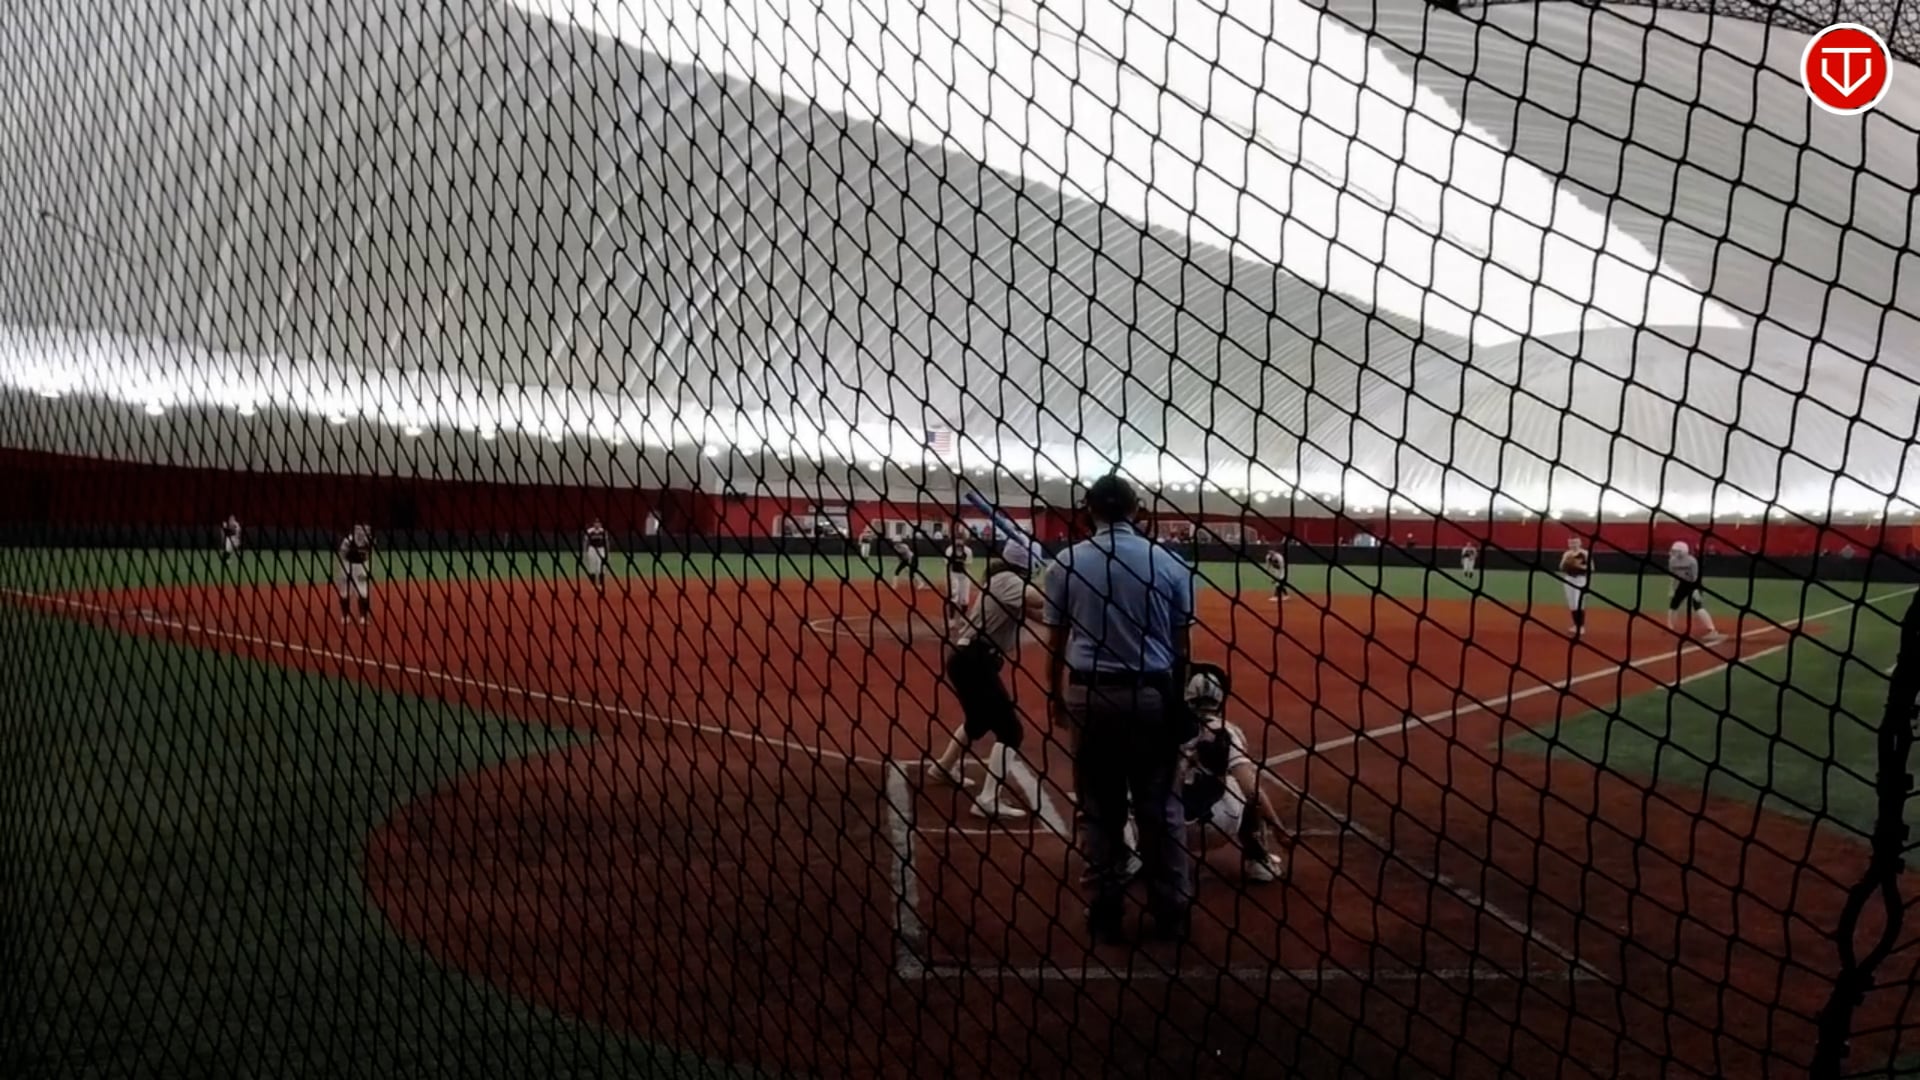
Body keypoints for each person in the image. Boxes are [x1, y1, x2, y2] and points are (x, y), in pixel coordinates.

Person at [1044, 474, 1197, 944]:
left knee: (1098, 807)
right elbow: (1180, 647)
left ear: (1088, 510)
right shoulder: (1169, 563)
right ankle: (1171, 910)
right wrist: (1178, 703)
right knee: (1160, 807)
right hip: (1151, 695)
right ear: (1138, 510)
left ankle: (1105, 908)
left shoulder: (1067, 562)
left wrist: (1054, 696)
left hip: (1090, 696)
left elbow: (1057, 642)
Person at [927, 539, 1065, 831]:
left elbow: (1040, 614)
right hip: (974, 661)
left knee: (977, 721)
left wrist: (1069, 620)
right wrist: (1061, 580)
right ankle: (987, 799)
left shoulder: (1005, 581)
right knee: (1011, 731)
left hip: (970, 660)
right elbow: (1039, 600)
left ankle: (942, 767)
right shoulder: (1007, 581)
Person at [1177, 664, 1286, 884]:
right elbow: (1251, 791)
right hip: (1221, 825)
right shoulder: (1227, 731)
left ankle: (1134, 857)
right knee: (1245, 784)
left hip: (1171, 830)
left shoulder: (1166, 727)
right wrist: (1278, 828)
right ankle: (1259, 861)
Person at [1665, 541, 1722, 642]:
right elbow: (1673, 576)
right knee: (1673, 605)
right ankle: (1670, 627)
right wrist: (1671, 588)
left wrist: (1695, 590)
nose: (1673, 553)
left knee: (1698, 607)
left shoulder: (1692, 561)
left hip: (1694, 584)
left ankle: (1712, 629)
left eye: (1676, 551)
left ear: (1683, 551)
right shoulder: (1672, 561)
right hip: (1682, 584)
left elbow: (1696, 577)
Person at [336, 524, 374, 626]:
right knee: (345, 592)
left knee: (363, 592)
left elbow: (368, 554)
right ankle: (345, 616)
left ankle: (363, 617)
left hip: (362, 568)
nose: (362, 533)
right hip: (347, 566)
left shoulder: (368, 540)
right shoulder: (348, 540)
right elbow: (342, 553)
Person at [1558, 537, 1591, 638]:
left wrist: (1578, 565)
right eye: (1571, 543)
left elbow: (1591, 568)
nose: (1573, 544)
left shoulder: (1585, 553)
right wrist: (1568, 564)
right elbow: (1561, 567)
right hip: (1568, 579)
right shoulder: (1567, 554)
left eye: (1575, 542)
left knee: (1578, 603)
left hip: (1580, 580)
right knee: (1572, 604)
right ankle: (1576, 625)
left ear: (1580, 543)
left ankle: (1581, 627)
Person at [944, 533, 975, 617]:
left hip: (964, 576)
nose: (959, 541)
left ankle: (963, 617)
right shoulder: (949, 550)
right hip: (953, 574)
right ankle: (951, 618)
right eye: (957, 539)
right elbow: (947, 565)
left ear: (964, 540)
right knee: (954, 595)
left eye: (960, 539)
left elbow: (968, 564)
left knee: (965, 598)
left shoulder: (968, 551)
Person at [583, 518, 610, 590]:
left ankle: (601, 584)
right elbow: (586, 542)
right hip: (592, 549)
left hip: (601, 549)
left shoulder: (603, 531)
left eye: (598, 523)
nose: (597, 524)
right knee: (592, 567)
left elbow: (606, 542)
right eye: (595, 523)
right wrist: (585, 552)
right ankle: (593, 584)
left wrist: (607, 552)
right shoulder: (590, 531)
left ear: (600, 524)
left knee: (601, 566)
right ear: (593, 524)